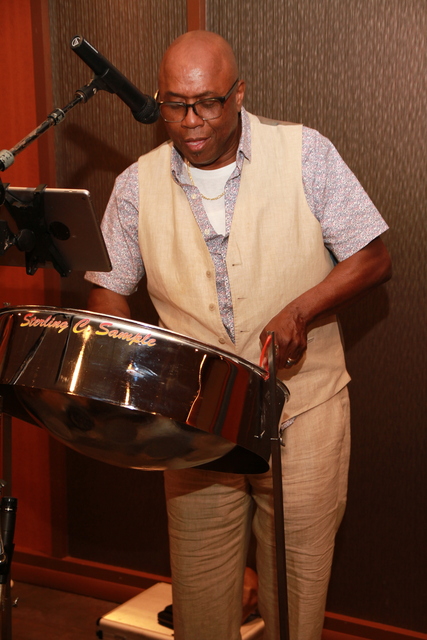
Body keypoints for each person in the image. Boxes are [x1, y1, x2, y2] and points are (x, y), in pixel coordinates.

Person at [85, 30, 391, 640]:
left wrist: (301, 310)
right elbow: (107, 288)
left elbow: (372, 256)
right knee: (200, 607)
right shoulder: (136, 184)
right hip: (194, 425)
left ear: (239, 93)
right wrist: (121, 352)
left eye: (207, 103)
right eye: (174, 104)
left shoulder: (304, 153)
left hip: (302, 412)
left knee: (294, 606)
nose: (190, 122)